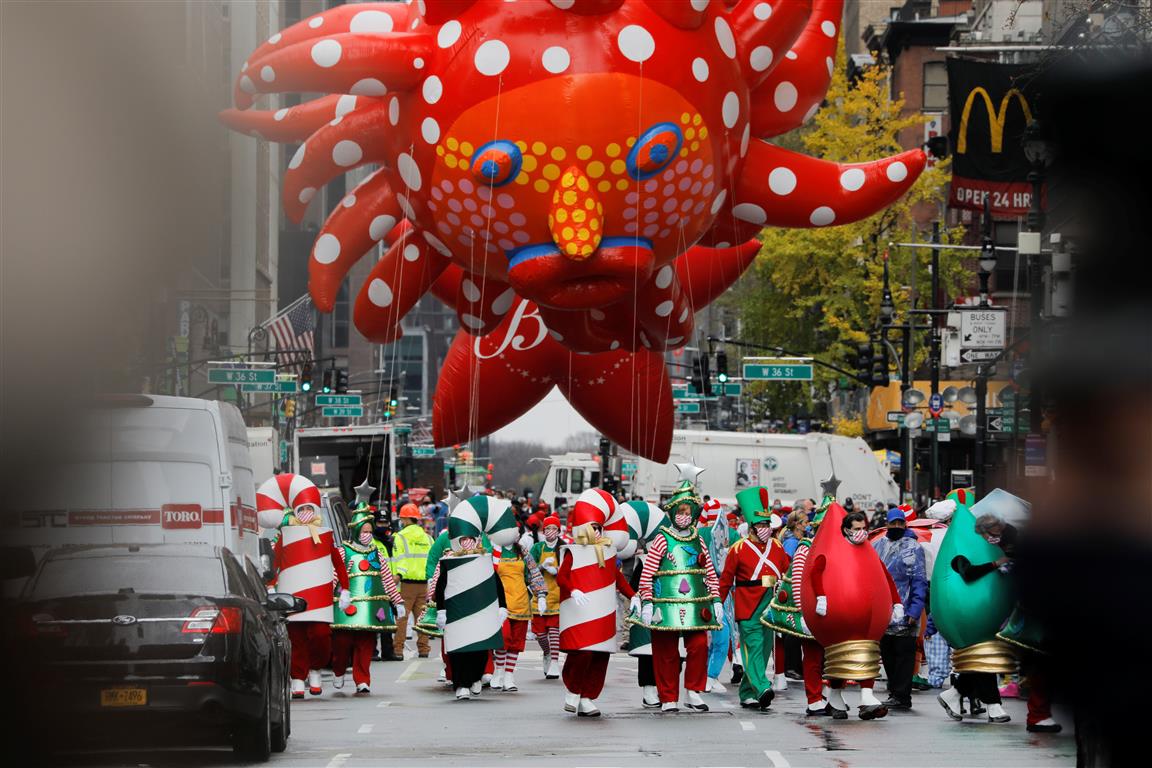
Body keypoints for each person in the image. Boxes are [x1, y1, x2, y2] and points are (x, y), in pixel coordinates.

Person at [256, 474, 351, 698]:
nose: (305, 513)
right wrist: (270, 585)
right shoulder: (285, 536)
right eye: (302, 509)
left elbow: (338, 562)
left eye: (309, 509)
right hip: (293, 596)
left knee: (321, 635)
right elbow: (276, 560)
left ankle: (316, 669)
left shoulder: (325, 536)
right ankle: (298, 678)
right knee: (295, 638)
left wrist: (344, 588)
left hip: (319, 599)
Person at [805, 508, 900, 721]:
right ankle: (835, 696)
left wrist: (896, 602)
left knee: (867, 653)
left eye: (864, 528)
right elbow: (816, 570)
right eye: (857, 529)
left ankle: (867, 696)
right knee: (842, 656)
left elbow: (884, 575)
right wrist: (821, 597)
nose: (861, 532)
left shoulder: (869, 551)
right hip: (839, 619)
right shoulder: (835, 550)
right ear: (846, 530)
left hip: (870, 619)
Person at [930, 492, 1016, 725]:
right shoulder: (958, 547)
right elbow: (967, 573)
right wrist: (995, 564)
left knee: (982, 660)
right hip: (968, 619)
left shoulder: (982, 544)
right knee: (983, 658)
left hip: (989, 617)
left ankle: (954, 693)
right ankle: (993, 705)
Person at [637, 480, 722, 713]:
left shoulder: (699, 539)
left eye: (688, 511)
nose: (684, 516)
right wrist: (647, 602)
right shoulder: (662, 539)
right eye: (680, 511)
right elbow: (647, 574)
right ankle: (668, 697)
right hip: (665, 605)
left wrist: (716, 600)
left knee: (698, 646)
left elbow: (710, 574)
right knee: (666, 653)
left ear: (694, 513)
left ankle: (693, 691)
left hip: (695, 606)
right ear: (673, 512)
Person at [557, 489, 635, 717]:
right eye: (592, 528)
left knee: (601, 655)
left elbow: (618, 579)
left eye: (599, 528)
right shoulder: (573, 551)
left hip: (603, 613)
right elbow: (562, 576)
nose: (596, 532)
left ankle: (588, 696)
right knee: (582, 654)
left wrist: (635, 595)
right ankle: (573, 690)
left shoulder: (608, 552)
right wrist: (573, 590)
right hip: (581, 614)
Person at [434, 494, 518, 700]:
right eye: (463, 540)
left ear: (476, 539)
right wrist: (441, 610)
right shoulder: (449, 561)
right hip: (457, 615)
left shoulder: (484, 560)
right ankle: (461, 684)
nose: (467, 543)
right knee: (459, 652)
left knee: (480, 650)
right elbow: (441, 586)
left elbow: (495, 583)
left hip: (481, 614)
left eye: (470, 539)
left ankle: (475, 678)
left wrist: (502, 607)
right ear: (457, 542)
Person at [718, 487, 791, 710]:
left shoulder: (777, 546)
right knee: (753, 647)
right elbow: (726, 580)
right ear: (751, 526)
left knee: (765, 645)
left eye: (767, 525)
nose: (765, 529)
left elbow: (787, 573)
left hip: (770, 603)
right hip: (747, 603)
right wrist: (717, 605)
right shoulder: (737, 548)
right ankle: (762, 688)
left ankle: (746, 692)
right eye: (760, 525)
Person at [331, 509, 406, 694]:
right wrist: (327, 599)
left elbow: (387, 578)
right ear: (356, 531)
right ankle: (339, 671)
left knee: (366, 644)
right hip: (346, 607)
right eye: (363, 531)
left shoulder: (377, 553)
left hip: (370, 609)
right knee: (342, 643)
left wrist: (398, 602)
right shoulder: (343, 551)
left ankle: (362, 680)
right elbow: (333, 577)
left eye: (369, 532)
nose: (367, 535)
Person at [871, 507, 928, 711]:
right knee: (888, 655)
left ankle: (902, 695)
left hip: (905, 613)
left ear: (904, 525)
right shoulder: (878, 546)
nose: (896, 527)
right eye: (892, 523)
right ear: (887, 524)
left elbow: (919, 581)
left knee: (904, 656)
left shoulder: (913, 548)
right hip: (885, 613)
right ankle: (894, 692)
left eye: (899, 523)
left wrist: (914, 611)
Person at [492, 539, 546, 692]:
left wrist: (541, 594)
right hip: (501, 604)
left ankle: (509, 675)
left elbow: (534, 573)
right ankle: (499, 672)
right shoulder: (494, 551)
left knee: (516, 643)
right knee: (503, 639)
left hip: (521, 602)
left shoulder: (523, 552)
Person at [390, 503, 434, 660]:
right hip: (424, 584)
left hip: (406, 584)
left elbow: (398, 560)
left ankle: (398, 650)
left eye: (402, 518)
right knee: (422, 618)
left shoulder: (400, 537)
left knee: (402, 618)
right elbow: (432, 561)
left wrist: (397, 577)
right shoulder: (428, 538)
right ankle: (424, 649)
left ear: (405, 519)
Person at [529, 515, 563, 679]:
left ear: (558, 531)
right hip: (539, 595)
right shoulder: (537, 548)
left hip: (557, 594)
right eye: (547, 528)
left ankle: (555, 662)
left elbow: (571, 568)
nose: (550, 532)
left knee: (555, 630)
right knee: (540, 633)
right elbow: (528, 568)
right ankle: (547, 652)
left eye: (553, 529)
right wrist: (541, 567)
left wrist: (558, 571)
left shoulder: (564, 547)